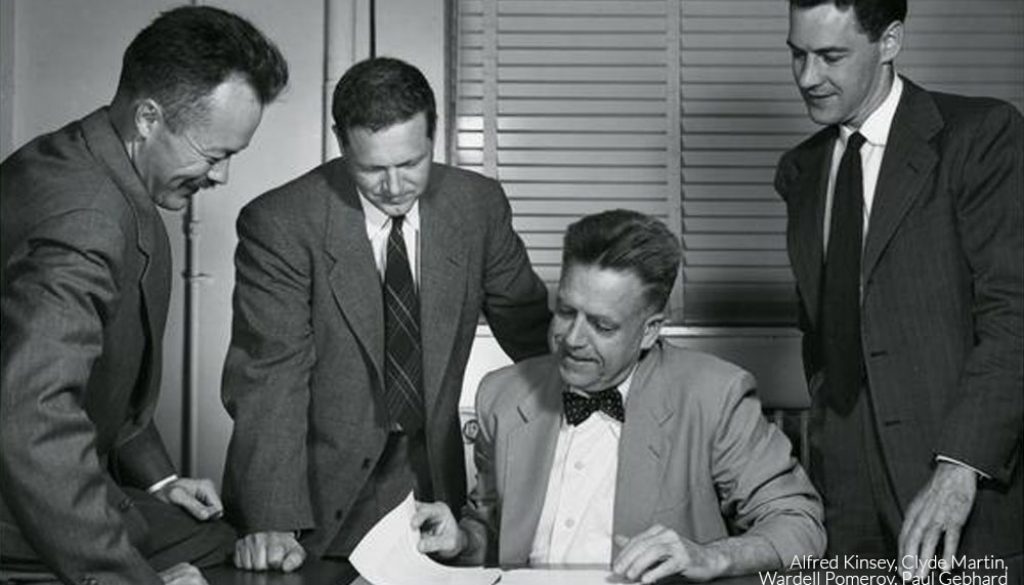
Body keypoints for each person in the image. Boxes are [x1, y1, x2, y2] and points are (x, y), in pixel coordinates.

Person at [221, 56, 551, 572]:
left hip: (434, 501)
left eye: (412, 163)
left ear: (434, 137)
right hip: (314, 505)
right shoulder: (281, 223)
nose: (395, 186)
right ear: (340, 141)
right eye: (373, 169)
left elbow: (535, 335)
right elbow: (270, 376)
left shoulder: (477, 206)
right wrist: (271, 517)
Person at [0, 6, 289, 585]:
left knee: (224, 542)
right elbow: (32, 412)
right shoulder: (86, 215)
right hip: (19, 500)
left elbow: (109, 381)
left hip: (68, 473)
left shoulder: (90, 157)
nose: (223, 177)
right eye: (216, 154)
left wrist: (161, 482)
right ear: (149, 118)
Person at [413, 210, 825, 582]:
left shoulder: (715, 396)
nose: (572, 339)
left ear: (649, 330)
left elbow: (799, 523)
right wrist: (461, 541)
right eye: (566, 311)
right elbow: (491, 532)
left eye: (602, 326)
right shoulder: (502, 395)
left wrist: (713, 556)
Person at [776, 0, 1023, 577]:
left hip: (963, 489)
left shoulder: (981, 137)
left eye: (830, 56)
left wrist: (961, 466)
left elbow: (1015, 316)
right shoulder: (800, 171)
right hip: (844, 500)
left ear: (888, 42)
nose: (808, 77)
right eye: (797, 54)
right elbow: (820, 327)